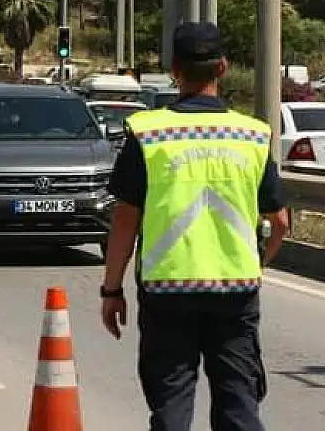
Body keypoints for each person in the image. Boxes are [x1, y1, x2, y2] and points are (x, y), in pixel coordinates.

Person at [100, 22, 290, 431]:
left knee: (171, 406)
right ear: (222, 68)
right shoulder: (253, 135)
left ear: (173, 69)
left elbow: (124, 221)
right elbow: (280, 223)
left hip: (168, 292)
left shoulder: (148, 133)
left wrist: (111, 289)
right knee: (239, 405)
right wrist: (257, 263)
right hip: (236, 292)